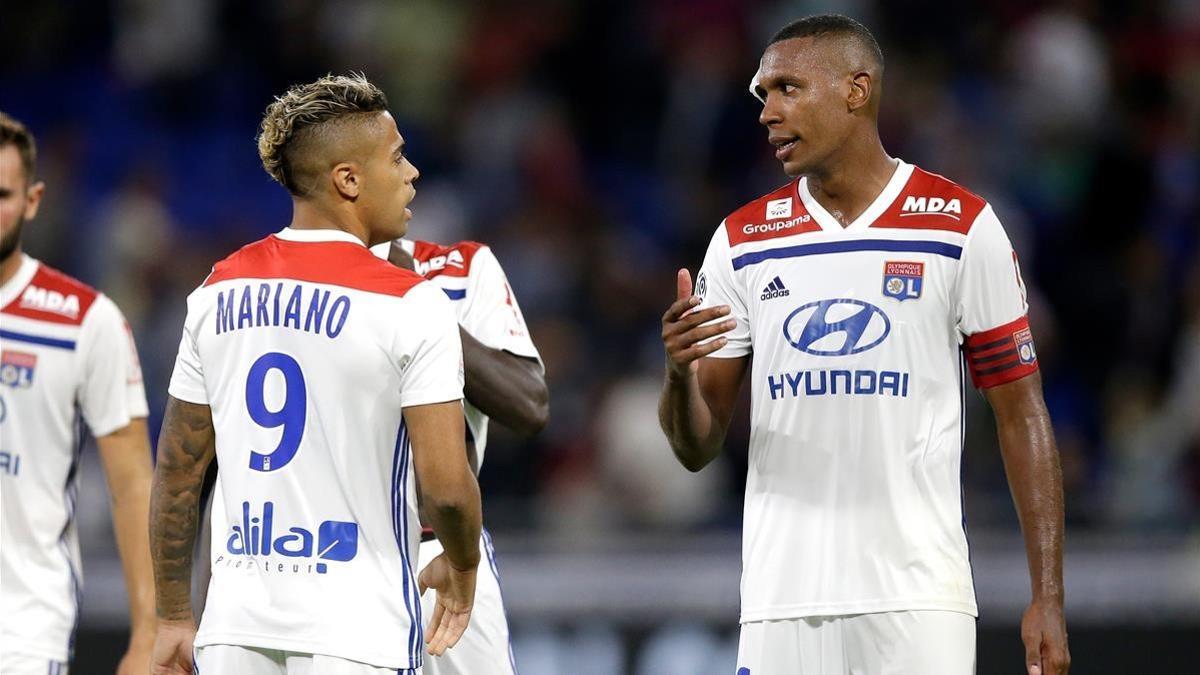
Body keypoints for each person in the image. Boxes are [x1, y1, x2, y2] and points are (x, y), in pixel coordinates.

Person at [658, 15, 1069, 675]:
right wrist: (678, 376)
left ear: (857, 90)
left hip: (918, 602)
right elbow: (696, 444)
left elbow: (1022, 414)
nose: (767, 113)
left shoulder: (961, 227)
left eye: (787, 89)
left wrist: (1047, 596)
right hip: (779, 603)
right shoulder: (740, 242)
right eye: (762, 94)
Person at [148, 74, 483, 675]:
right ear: (348, 180)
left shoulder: (216, 288)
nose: (412, 174)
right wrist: (462, 569)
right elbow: (448, 491)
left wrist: (173, 618)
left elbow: (178, 472)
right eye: (398, 156)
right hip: (358, 630)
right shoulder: (411, 301)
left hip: (234, 630)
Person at [0, 111, 156, 674]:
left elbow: (133, 483)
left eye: (2, 194)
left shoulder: (84, 322)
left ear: (34, 199)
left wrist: (148, 636)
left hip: (19, 629)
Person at [372, 235, 548, 675]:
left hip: (443, 549)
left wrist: (413, 295)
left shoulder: (462, 268)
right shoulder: (294, 279)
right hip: (335, 555)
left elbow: (529, 405)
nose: (410, 176)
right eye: (394, 161)